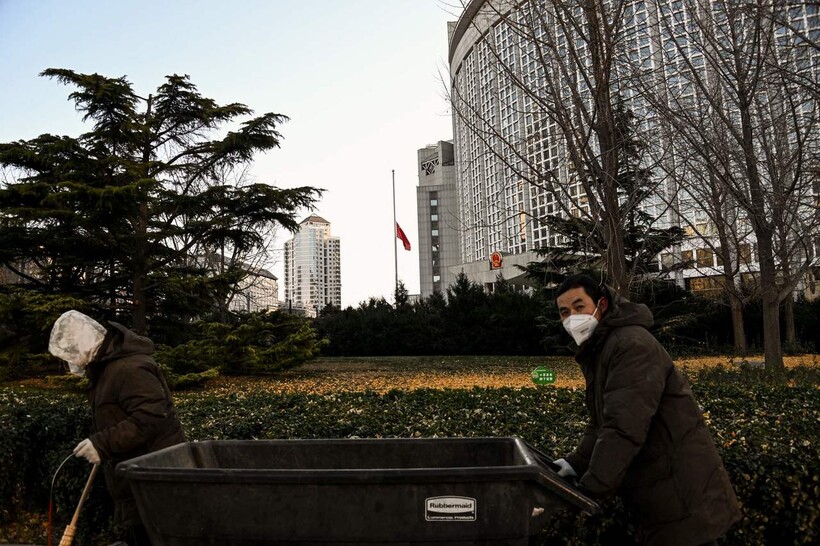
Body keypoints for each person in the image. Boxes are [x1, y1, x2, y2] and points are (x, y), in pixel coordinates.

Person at [552, 275, 740, 546]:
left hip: (681, 496)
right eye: (564, 312)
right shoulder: (603, 348)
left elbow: (624, 427)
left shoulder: (630, 345)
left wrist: (591, 488)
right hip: (662, 495)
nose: (572, 318)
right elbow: (603, 422)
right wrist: (575, 463)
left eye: (579, 307)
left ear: (601, 305)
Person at [49, 310, 186, 546]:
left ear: (83, 344)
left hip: (156, 478)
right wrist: (101, 443)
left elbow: (152, 417)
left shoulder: (129, 368)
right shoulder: (107, 370)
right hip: (136, 478)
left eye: (71, 353)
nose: (71, 362)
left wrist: (103, 443)